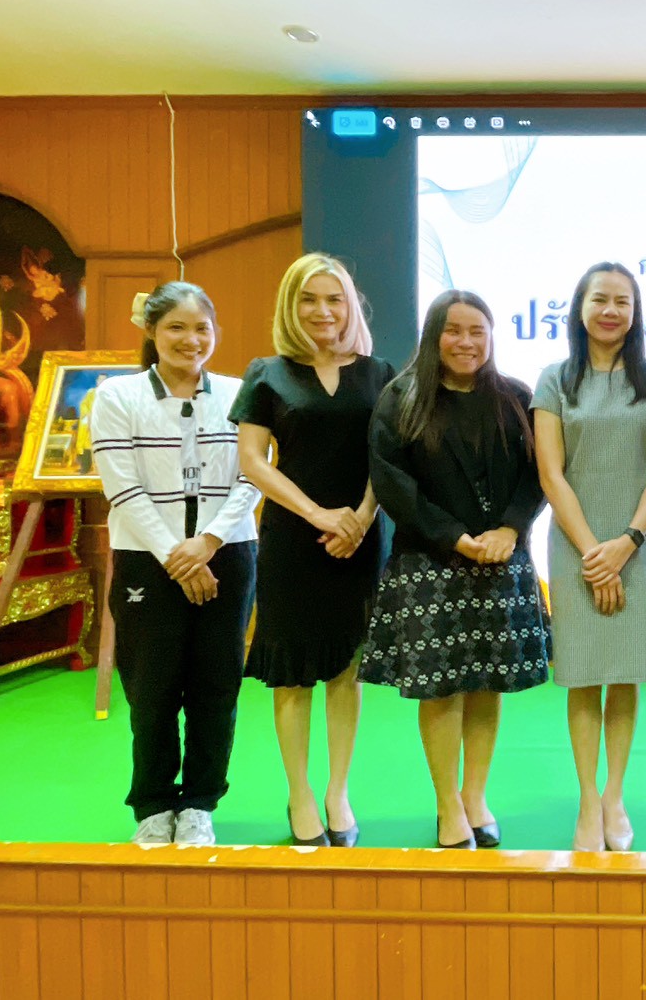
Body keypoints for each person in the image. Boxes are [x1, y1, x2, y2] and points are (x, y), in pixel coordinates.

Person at [361, 290, 549, 849]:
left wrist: (511, 528)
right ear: (433, 336)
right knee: (440, 689)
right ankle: (447, 805)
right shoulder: (401, 399)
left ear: (490, 337)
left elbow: (539, 474)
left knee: (488, 684)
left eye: (477, 331)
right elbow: (392, 482)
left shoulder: (516, 397)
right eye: (453, 330)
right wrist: (455, 537)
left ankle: (475, 796)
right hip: (430, 562)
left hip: (500, 560)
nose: (466, 342)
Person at [232, 253, 393, 848]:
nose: (323, 310)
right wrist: (320, 514)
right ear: (290, 306)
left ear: (350, 306)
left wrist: (362, 516)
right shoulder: (266, 374)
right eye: (309, 299)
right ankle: (300, 794)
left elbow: (388, 456)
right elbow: (253, 462)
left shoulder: (379, 373)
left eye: (334, 299)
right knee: (293, 674)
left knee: (347, 669)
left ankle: (338, 791)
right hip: (293, 541)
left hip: (360, 539)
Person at [91, 282, 260, 845]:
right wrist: (178, 556)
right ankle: (154, 803)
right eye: (176, 328)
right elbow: (121, 487)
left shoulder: (241, 393)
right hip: (146, 560)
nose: (192, 340)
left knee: (217, 685)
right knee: (151, 687)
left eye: (202, 328)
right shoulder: (117, 396)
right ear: (152, 331)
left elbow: (253, 476)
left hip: (227, 554)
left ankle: (200, 803)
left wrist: (207, 542)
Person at [533, 263, 646, 852]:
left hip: (638, 546)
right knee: (583, 673)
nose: (611, 310)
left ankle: (615, 795)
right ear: (580, 307)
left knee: (624, 671)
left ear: (636, 312)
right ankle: (587, 798)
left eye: (623, 301)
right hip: (575, 547)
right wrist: (595, 553)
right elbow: (551, 474)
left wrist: (627, 543)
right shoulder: (554, 381)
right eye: (600, 299)